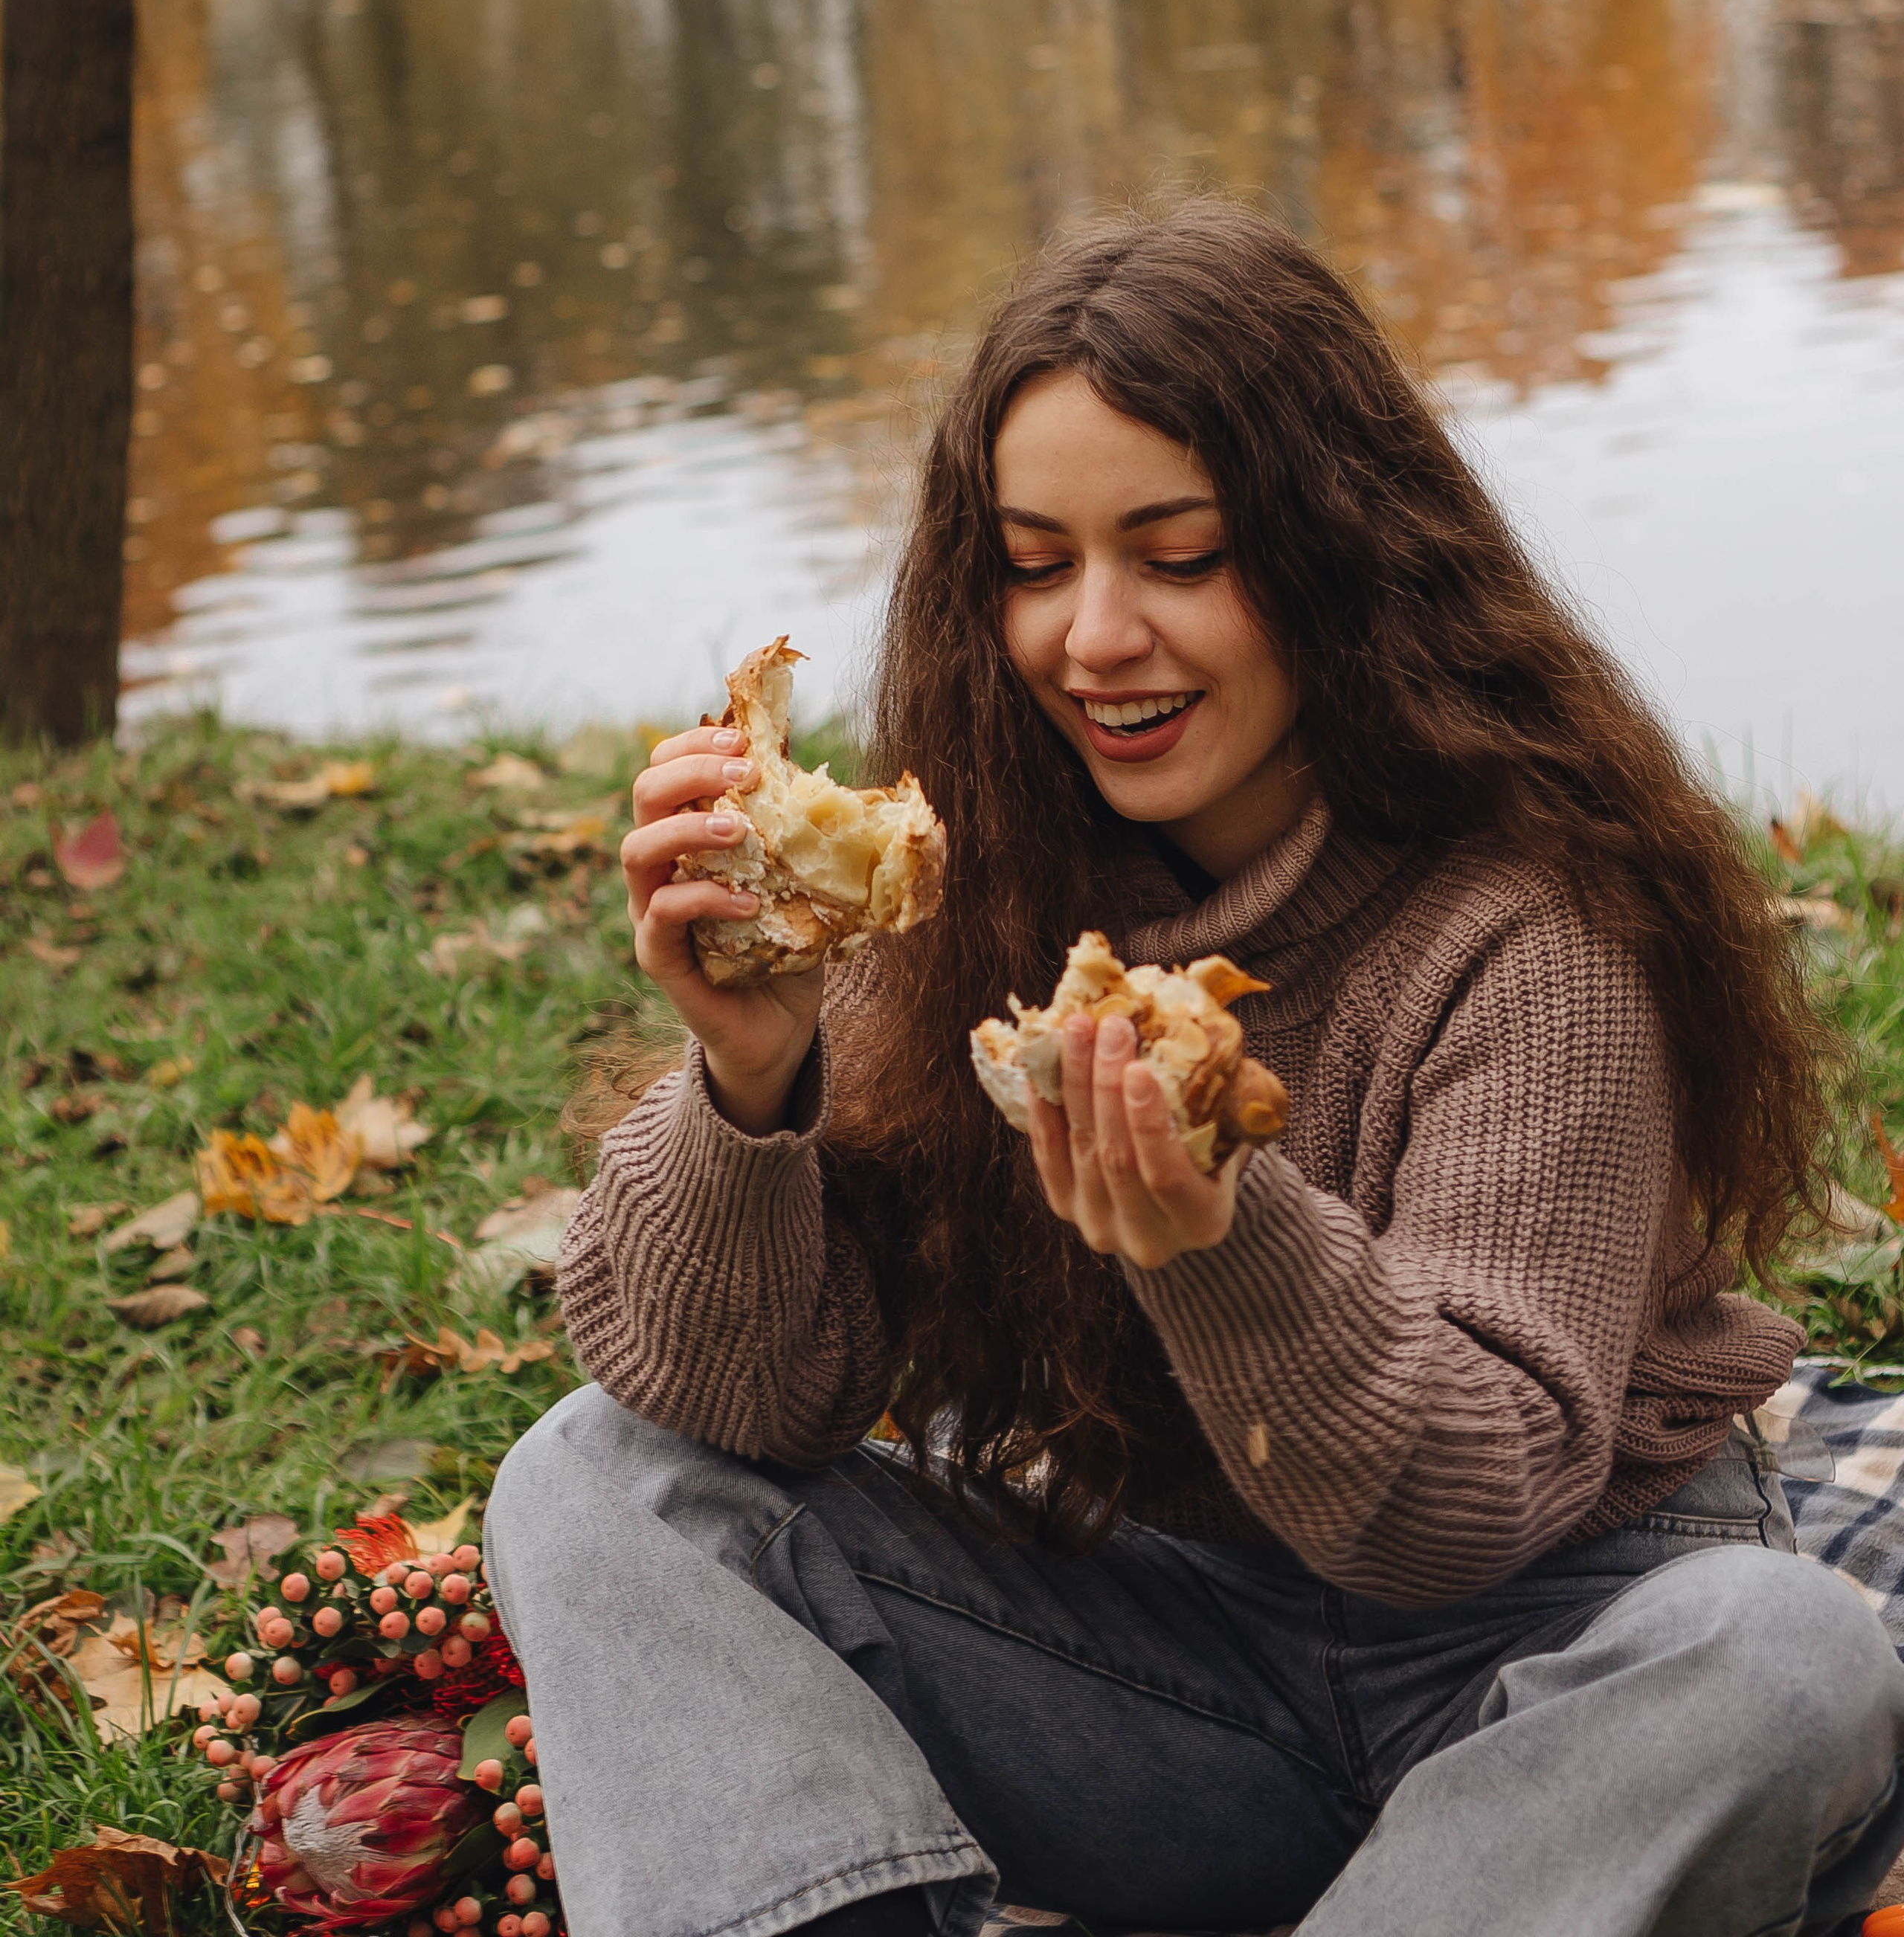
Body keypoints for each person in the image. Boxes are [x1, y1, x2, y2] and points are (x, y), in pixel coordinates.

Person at [485, 203, 1904, 1937]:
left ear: (1333, 552)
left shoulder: (1532, 932)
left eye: (1176, 554)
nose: (1092, 638)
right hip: (1172, 1681)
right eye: (1035, 560)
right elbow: (741, 1406)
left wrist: (1218, 1240)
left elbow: (1460, 1514)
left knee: (1784, 1655)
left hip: (1554, 1677)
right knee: (594, 1479)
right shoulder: (968, 891)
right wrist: (750, 1081)